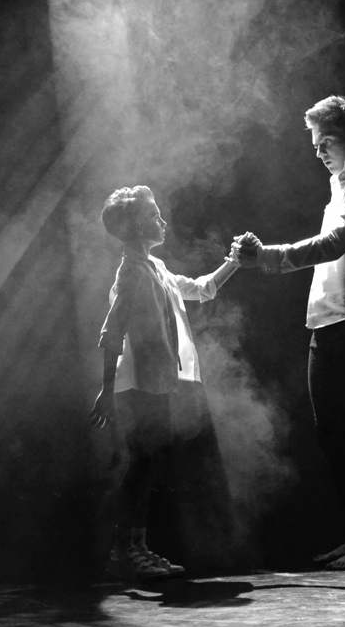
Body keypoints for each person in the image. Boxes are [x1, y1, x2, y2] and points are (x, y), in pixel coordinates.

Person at [234, 95, 345, 570]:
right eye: (315, 144)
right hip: (326, 324)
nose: (319, 151)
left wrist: (267, 256)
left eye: (326, 141)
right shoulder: (339, 187)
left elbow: (333, 245)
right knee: (334, 437)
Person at [91, 185, 240, 580]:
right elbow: (111, 334)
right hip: (138, 384)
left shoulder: (155, 268)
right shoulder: (132, 272)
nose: (163, 221)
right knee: (141, 464)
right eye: (154, 216)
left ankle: (135, 547)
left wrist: (234, 262)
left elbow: (202, 289)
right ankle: (124, 550)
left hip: (156, 382)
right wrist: (106, 390)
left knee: (147, 464)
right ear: (138, 226)